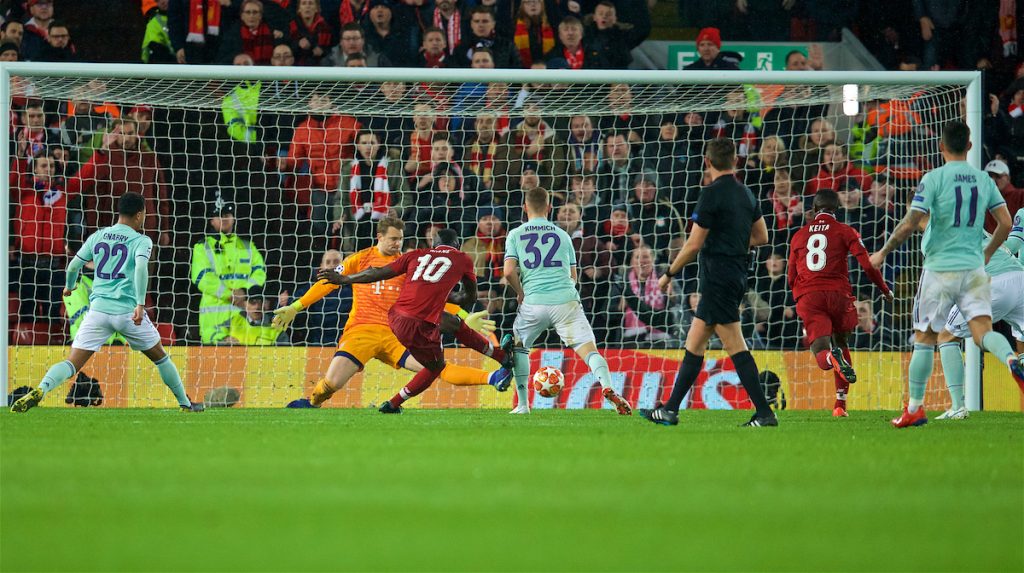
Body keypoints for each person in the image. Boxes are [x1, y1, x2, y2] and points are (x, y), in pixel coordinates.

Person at [870, 121, 1024, 428]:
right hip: (987, 269)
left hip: (945, 269)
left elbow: (907, 224)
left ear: (941, 146)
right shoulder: (983, 179)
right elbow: (1005, 223)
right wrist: (990, 250)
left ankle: (919, 407)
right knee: (983, 332)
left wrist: (883, 253)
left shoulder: (933, 180)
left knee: (931, 336)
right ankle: (1010, 358)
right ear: (969, 146)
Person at [273, 218, 513, 407]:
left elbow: (431, 297)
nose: (397, 243)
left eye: (400, 239)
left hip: (396, 335)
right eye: (393, 239)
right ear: (380, 237)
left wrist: (462, 315)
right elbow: (330, 282)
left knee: (437, 368)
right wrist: (296, 306)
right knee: (331, 384)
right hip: (361, 331)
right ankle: (313, 402)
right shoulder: (360, 259)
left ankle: (492, 378)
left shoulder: (409, 262)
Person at [11, 192, 203, 413]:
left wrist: (69, 286)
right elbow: (141, 268)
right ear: (139, 215)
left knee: (71, 363)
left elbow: (73, 266)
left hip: (98, 312)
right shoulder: (141, 240)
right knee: (161, 358)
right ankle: (185, 403)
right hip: (127, 312)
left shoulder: (98, 236)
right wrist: (140, 304)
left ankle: (41, 389)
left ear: (119, 212)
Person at [639, 138, 776, 427]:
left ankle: (765, 412)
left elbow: (692, 245)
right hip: (737, 274)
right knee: (695, 342)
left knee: (735, 345)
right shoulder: (747, 194)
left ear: (708, 162)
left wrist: (668, 274)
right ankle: (670, 409)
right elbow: (762, 236)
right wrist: (735, 240)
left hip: (717, 277)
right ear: (735, 162)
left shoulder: (710, 194)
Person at [503, 187, 632, 416]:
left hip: (533, 303)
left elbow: (508, 272)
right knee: (590, 351)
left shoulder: (516, 234)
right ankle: (607, 386)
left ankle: (523, 405)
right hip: (565, 301)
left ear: (525, 207)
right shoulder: (563, 236)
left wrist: (520, 291)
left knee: (519, 348)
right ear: (550, 208)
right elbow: (573, 277)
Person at [788, 189, 893, 417]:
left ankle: (830, 358)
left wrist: (801, 297)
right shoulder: (846, 231)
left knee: (822, 352)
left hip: (810, 296)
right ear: (838, 209)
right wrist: (884, 290)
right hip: (839, 294)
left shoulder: (798, 236)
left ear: (814, 210)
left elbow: (790, 276)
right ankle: (840, 406)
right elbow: (867, 265)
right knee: (841, 342)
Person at [935, 238, 1024, 420]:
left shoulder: (937, 233)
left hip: (991, 282)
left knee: (947, 337)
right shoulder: (977, 225)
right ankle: (1017, 360)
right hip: (1019, 277)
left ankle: (958, 407)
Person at [190, 200, 267, 344]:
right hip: (214, 324)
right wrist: (230, 294)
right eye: (219, 215)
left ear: (233, 218)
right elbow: (201, 277)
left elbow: (259, 272)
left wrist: (244, 291)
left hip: (243, 320)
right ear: (211, 221)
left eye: (227, 214)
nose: (224, 218)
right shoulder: (202, 247)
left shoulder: (248, 246)